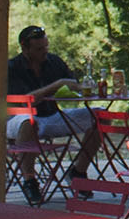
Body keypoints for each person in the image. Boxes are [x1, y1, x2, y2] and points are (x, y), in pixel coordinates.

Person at [6, 24, 94, 199]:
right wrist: (56, 86)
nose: (44, 52)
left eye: (46, 47)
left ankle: (78, 170)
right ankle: (29, 180)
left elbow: (73, 86)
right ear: (24, 47)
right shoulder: (12, 68)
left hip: (52, 116)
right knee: (28, 121)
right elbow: (23, 102)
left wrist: (82, 87)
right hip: (17, 118)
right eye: (39, 49)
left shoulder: (54, 62)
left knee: (98, 116)